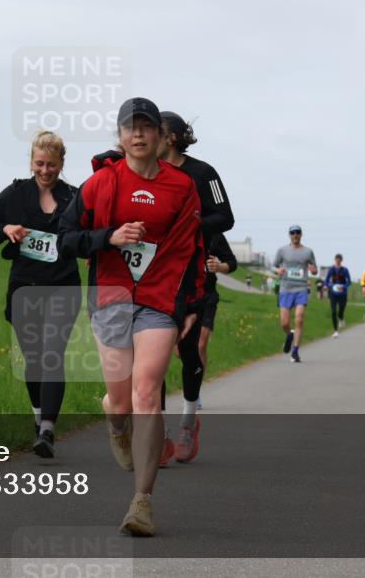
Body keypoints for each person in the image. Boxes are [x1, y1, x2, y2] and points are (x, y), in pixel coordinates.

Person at [59, 97, 205, 537]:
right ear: (120, 136)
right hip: (111, 298)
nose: (138, 134)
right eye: (130, 127)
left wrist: (192, 305)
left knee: (147, 393)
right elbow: (67, 238)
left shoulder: (182, 187)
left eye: (146, 127)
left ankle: (142, 502)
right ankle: (114, 417)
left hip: (159, 301)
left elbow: (191, 251)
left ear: (161, 136)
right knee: (122, 401)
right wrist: (109, 237)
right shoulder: (100, 183)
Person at [0, 131, 81, 458]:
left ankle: (48, 429)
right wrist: (5, 229)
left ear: (61, 164)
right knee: (34, 359)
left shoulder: (74, 198)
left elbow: (86, 236)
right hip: (25, 287)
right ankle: (39, 418)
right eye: (39, 163)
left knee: (52, 355)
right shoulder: (14, 194)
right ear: (31, 162)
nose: (45, 170)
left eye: (51, 164)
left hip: (63, 286)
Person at [155, 111, 236, 466]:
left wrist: (189, 226)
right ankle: (157, 435)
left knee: (189, 352)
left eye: (153, 131)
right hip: (155, 276)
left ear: (171, 137)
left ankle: (188, 421)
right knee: (154, 356)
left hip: (192, 277)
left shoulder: (204, 173)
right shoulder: (145, 172)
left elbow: (226, 218)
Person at [273, 225, 318, 362]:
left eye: (298, 232)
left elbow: (315, 269)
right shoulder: (282, 250)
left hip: (301, 288)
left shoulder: (308, 252)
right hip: (285, 288)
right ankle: (289, 334)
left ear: (301, 234)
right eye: (293, 233)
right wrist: (278, 271)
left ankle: (295, 351)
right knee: (284, 322)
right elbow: (273, 266)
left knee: (299, 319)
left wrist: (313, 270)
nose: (295, 235)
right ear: (289, 235)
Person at [324, 253, 351, 337]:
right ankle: (335, 331)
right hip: (333, 293)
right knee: (333, 312)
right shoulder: (331, 269)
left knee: (341, 310)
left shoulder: (345, 270)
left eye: (339, 260)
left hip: (343, 293)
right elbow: (326, 281)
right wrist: (330, 285)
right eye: (336, 259)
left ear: (341, 260)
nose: (338, 261)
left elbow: (349, 282)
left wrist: (343, 286)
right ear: (335, 260)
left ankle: (341, 318)